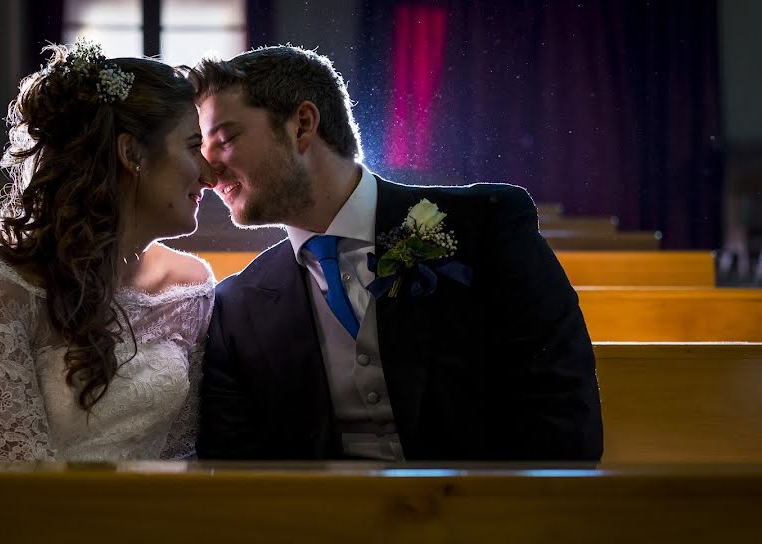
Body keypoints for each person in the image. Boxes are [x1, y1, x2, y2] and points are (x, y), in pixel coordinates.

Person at [192, 45, 603, 461]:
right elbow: (236, 466)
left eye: (224, 139)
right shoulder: (238, 306)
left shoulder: (487, 228)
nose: (207, 172)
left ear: (301, 125)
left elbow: (560, 408)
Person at [0, 39, 217, 460]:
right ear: (132, 153)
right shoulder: (8, 293)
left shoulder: (191, 290)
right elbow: (21, 474)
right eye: (192, 146)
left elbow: (181, 453)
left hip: (157, 519)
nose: (208, 174)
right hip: (30, 519)